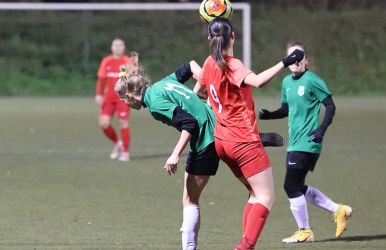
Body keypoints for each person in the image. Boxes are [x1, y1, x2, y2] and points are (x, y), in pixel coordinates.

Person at [194, 17, 304, 250]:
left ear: (209, 39)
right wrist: (286, 61)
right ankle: (244, 247)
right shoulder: (232, 65)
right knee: (266, 197)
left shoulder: (208, 63)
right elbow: (258, 81)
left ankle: (245, 244)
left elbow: (199, 93)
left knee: (255, 194)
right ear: (233, 37)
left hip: (223, 141)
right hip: (243, 142)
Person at [114, 52, 219, 250]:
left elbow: (190, 124)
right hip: (217, 128)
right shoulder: (163, 83)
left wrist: (175, 155)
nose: (126, 105)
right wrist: (205, 85)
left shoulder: (154, 105)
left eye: (124, 101)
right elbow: (189, 65)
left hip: (207, 141)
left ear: (129, 95)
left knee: (190, 200)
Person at [259, 41, 352, 243]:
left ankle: (305, 231)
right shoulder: (286, 82)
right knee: (298, 187)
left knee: (290, 185)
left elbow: (330, 106)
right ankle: (339, 210)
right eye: (291, 56)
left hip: (309, 141)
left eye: (299, 55)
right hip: (294, 143)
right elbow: (285, 110)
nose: (295, 60)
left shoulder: (312, 80)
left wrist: (321, 130)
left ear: (306, 59)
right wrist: (269, 115)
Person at [95, 38, 132, 162]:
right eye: (115, 45)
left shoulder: (127, 61)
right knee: (103, 124)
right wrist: (99, 94)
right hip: (108, 97)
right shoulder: (107, 61)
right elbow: (101, 79)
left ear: (124, 48)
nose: (117, 47)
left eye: (120, 45)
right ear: (111, 48)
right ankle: (118, 143)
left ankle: (125, 152)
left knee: (123, 123)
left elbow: (132, 79)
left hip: (123, 97)